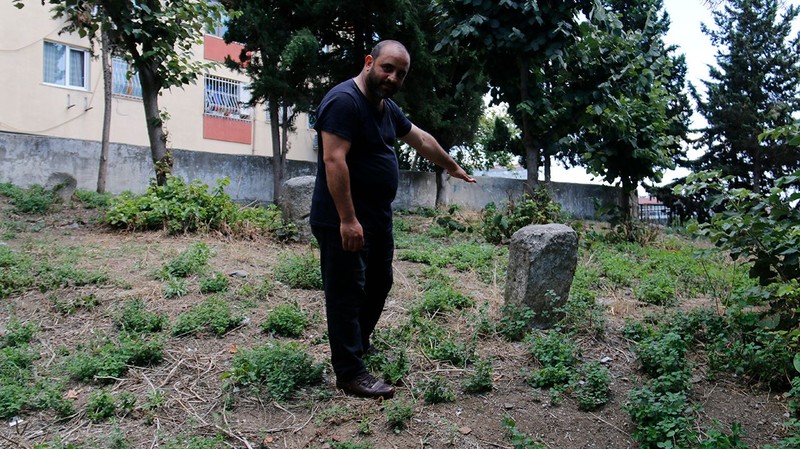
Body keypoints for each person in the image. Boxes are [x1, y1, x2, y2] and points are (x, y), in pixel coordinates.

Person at [310, 40, 476, 399]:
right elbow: (334, 161)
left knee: (378, 284)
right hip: (344, 219)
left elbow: (419, 139)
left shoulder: (385, 107)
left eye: (401, 73)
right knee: (346, 294)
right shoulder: (344, 101)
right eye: (387, 68)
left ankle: (357, 344)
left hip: (376, 220)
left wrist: (451, 166)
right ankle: (350, 373)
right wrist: (348, 219)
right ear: (369, 62)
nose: (393, 77)